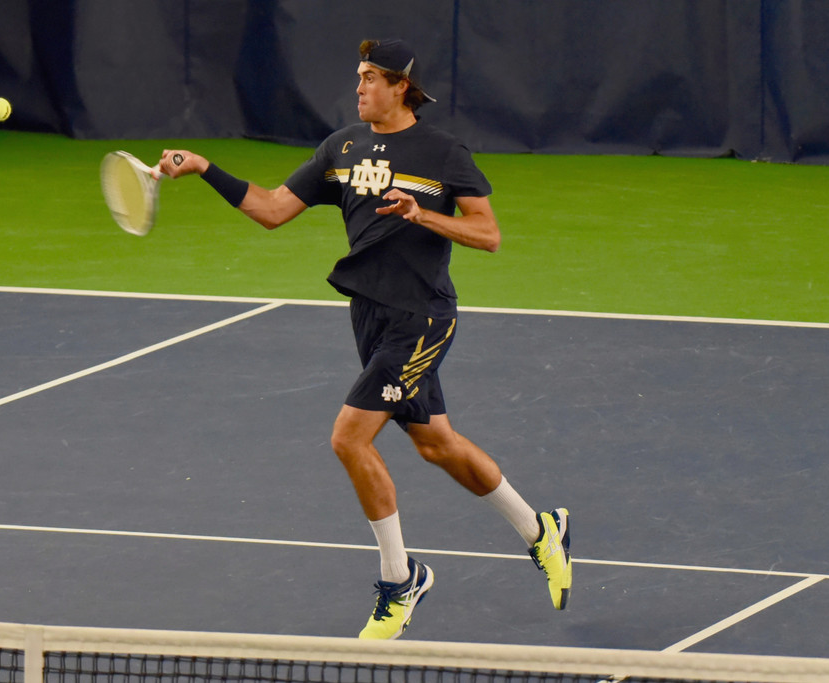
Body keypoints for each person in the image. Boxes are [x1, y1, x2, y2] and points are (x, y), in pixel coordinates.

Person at [155, 38, 571, 640]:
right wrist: (203, 168)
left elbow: (488, 235)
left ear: (402, 86)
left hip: (422, 318)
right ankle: (542, 530)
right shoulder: (341, 148)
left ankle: (401, 581)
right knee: (438, 444)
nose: (359, 87)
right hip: (371, 318)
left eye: (371, 77)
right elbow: (272, 209)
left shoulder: (443, 152)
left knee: (349, 439)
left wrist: (420, 214)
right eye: (358, 77)